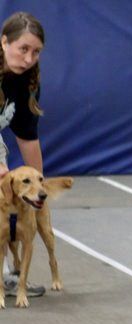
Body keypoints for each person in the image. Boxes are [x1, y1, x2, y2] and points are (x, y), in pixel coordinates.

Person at [0, 12, 46, 298]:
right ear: (4, 42)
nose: (29, 58)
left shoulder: (27, 81)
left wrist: (38, 187)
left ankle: (6, 273)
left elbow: (28, 137)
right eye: (23, 49)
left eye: (36, 52)